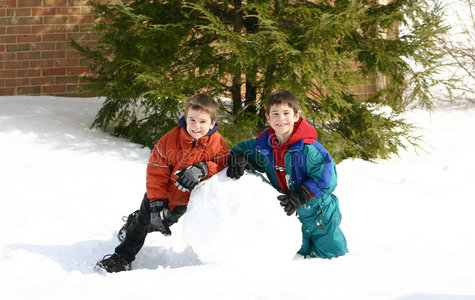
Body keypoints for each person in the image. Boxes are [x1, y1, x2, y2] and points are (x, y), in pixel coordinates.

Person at [95, 93, 229, 272]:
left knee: (161, 224)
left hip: (184, 200)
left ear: (212, 123)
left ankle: (132, 222)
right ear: (185, 118)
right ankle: (122, 256)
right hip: (159, 194)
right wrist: (156, 203)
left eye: (203, 122)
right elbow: (156, 171)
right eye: (192, 120)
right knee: (144, 222)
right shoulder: (170, 140)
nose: (196, 126)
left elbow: (223, 162)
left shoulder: (217, 142)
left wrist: (202, 169)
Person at [226, 89, 348, 259]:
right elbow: (242, 150)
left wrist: (302, 194)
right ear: (268, 118)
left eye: (286, 113)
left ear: (296, 116)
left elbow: (327, 178)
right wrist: (238, 158)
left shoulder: (308, 148)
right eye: (275, 113)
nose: (281, 118)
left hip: (320, 213)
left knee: (332, 257)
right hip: (291, 216)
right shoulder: (264, 146)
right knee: (295, 258)